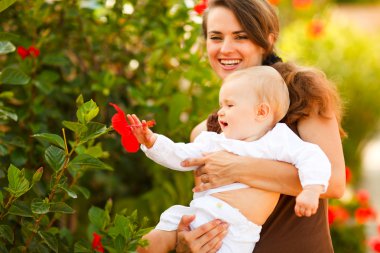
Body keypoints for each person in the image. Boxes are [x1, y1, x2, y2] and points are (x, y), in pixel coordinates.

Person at [174, 0, 346, 252]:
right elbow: (208, 207)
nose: (226, 48)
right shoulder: (205, 132)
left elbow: (333, 183)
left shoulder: (303, 92)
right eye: (215, 37)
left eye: (240, 36)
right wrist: (186, 243)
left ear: (267, 40)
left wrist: (237, 168)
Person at [130, 66, 331, 253]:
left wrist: (312, 189)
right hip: (196, 215)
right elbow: (181, 156)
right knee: (153, 241)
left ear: (261, 112)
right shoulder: (213, 140)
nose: (220, 112)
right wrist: (152, 142)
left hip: (234, 233)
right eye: (221, 105)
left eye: (229, 104)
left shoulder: (277, 140)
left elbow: (312, 157)